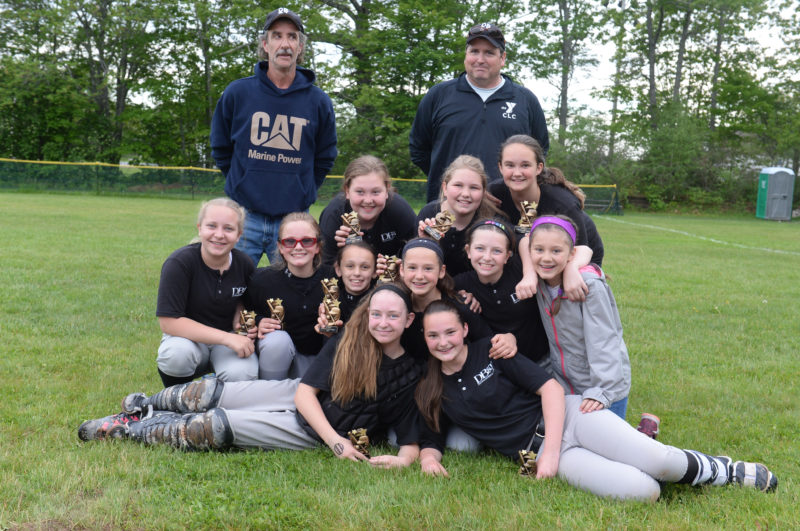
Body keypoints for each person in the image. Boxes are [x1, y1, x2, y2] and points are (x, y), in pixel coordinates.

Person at [414, 300, 778, 500]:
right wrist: (429, 459)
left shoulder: (491, 351)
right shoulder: (431, 387)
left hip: (569, 418)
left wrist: (552, 455)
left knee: (659, 462)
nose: (443, 341)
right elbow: (430, 437)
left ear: (464, 329)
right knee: (644, 492)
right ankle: (640, 438)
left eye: (450, 331)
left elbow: (551, 390)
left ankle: (727, 470)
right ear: (425, 339)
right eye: (434, 336)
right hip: (539, 452)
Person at [76, 286, 431, 470]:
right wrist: (338, 444)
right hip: (299, 400)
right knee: (207, 394)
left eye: (393, 316)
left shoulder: (408, 373)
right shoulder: (348, 342)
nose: (383, 322)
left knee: (211, 428)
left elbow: (410, 438)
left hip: (309, 433)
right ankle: (146, 405)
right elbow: (305, 394)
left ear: (408, 321)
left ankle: (128, 429)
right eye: (377, 314)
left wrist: (404, 460)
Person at [211, 7, 337, 266]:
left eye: (292, 37)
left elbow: (325, 157)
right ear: (265, 44)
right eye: (277, 36)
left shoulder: (318, 101)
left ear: (300, 46)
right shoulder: (238, 93)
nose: (285, 44)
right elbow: (221, 149)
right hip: (245, 217)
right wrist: (243, 182)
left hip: (293, 221)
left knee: (292, 294)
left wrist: (304, 191)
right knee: (232, 291)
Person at [409, 23, 549, 201]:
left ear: (503, 58)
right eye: (474, 51)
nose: (480, 59)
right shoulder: (439, 95)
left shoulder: (524, 100)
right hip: (449, 207)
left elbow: (539, 151)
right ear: (466, 55)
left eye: (489, 52)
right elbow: (418, 149)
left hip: (505, 207)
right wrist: (455, 182)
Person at [529, 216, 630, 418]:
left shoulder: (589, 286)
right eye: (539, 250)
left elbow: (605, 341)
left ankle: (646, 433)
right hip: (567, 385)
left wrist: (602, 391)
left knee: (605, 447)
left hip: (604, 387)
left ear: (571, 254)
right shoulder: (540, 281)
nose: (546, 258)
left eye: (556, 251)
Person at [155, 198, 258, 387]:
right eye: (211, 226)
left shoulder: (244, 264)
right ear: (199, 228)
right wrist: (227, 338)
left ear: (239, 235)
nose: (219, 235)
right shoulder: (179, 263)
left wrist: (240, 312)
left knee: (243, 373)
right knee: (176, 355)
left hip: (227, 341)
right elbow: (168, 323)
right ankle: (174, 402)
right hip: (189, 340)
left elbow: (246, 299)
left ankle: (219, 407)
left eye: (228, 229)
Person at [490, 134, 598, 301]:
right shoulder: (494, 193)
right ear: (500, 167)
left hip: (580, 251)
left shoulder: (562, 203)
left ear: (539, 167)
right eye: (510, 165)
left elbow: (582, 248)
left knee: (570, 290)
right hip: (537, 250)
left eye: (525, 165)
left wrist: (572, 270)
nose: (517, 173)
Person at [245, 212, 334, 380]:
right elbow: (242, 310)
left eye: (307, 241)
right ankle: (270, 391)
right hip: (278, 359)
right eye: (290, 241)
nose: (298, 247)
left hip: (318, 359)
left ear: (318, 247)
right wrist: (258, 321)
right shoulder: (262, 280)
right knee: (276, 341)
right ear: (280, 247)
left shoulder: (334, 279)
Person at [453, 219, 550, 366]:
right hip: (501, 365)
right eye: (480, 248)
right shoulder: (462, 283)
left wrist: (530, 274)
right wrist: (458, 297)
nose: (487, 257)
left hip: (543, 359)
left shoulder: (520, 268)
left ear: (507, 256)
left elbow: (528, 241)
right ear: (468, 251)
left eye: (497, 251)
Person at [318, 155, 416, 266]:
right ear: (347, 191)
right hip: (350, 280)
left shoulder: (400, 211)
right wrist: (343, 253)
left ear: (387, 189)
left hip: (392, 281)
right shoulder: (334, 215)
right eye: (360, 192)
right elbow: (325, 269)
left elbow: (418, 258)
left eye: (375, 192)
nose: (368, 200)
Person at [416, 155, 504, 277]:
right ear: (445, 188)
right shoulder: (429, 214)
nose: (466, 194)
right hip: (436, 287)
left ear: (483, 192)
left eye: (474, 187)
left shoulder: (491, 220)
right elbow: (416, 267)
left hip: (476, 290)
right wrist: (426, 243)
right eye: (458, 185)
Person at [315, 241, 378, 336]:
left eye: (365, 267)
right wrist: (327, 329)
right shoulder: (332, 302)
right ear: (338, 270)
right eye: (350, 266)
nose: (357, 273)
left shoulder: (379, 301)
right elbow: (330, 336)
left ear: (374, 272)